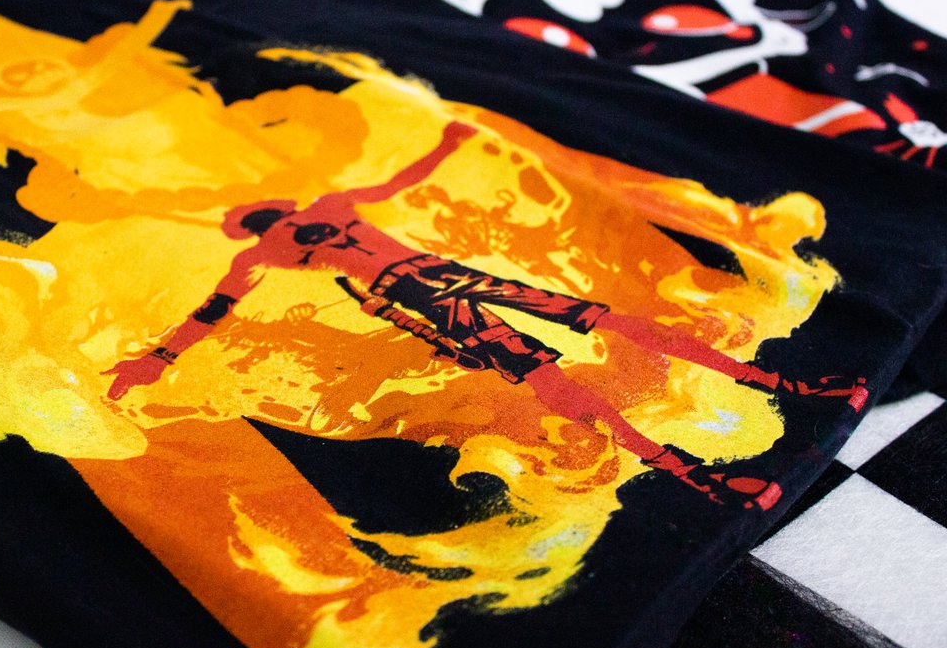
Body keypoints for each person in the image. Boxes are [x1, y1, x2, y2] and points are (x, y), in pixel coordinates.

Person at [104, 122, 866, 509]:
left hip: (441, 277)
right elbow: (212, 311)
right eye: (260, 217)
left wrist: (446, 146)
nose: (274, 218)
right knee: (548, 377)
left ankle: (779, 388)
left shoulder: (323, 210)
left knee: (601, 325)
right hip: (415, 298)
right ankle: (686, 470)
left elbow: (395, 182)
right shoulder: (269, 251)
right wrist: (152, 361)